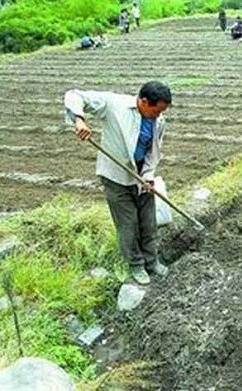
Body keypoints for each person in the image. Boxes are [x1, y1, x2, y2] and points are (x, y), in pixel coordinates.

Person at [63, 81, 173, 285]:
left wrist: (149, 174)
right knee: (128, 225)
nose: (158, 116)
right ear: (143, 101)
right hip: (116, 177)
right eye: (156, 111)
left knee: (148, 223)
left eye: (161, 112)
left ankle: (152, 262)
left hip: (143, 178)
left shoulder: (158, 121)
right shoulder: (114, 104)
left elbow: (153, 151)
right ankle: (136, 266)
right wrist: (78, 120)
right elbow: (74, 95)